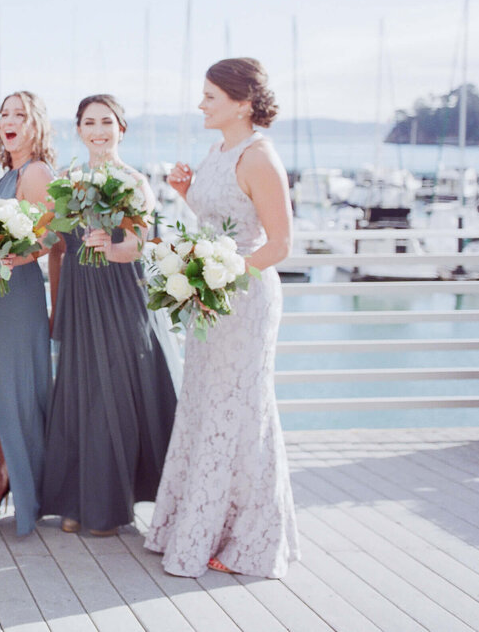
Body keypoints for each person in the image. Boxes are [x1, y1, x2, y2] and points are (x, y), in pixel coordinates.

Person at [144, 57, 300, 578]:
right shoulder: (219, 149)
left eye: (211, 96)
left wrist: (222, 277)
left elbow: (279, 243)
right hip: (211, 298)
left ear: (242, 103)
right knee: (207, 404)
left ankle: (248, 539)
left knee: (242, 408)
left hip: (245, 297)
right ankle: (201, 524)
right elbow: (223, 222)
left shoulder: (260, 158)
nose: (201, 104)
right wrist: (187, 196)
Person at [41, 94, 178, 536]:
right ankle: (76, 501)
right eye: (89, 122)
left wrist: (112, 248)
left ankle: (108, 506)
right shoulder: (66, 179)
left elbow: (140, 241)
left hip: (122, 291)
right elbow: (57, 248)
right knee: (81, 387)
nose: (98, 130)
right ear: (78, 129)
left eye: (106, 122)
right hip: (81, 295)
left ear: (121, 128)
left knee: (117, 388)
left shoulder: (135, 181)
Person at [0, 91, 56, 535]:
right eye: (4, 113)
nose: (10, 120)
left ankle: (20, 483)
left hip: (15, 294)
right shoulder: (7, 174)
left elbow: (47, 238)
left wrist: (10, 256)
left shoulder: (37, 172)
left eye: (20, 114)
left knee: (14, 391)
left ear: (36, 124)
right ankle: (1, 474)